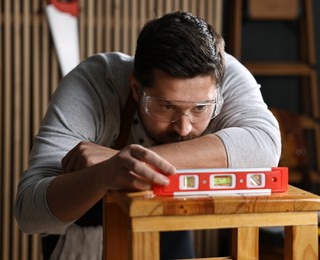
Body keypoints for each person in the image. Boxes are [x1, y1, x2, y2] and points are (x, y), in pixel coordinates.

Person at [14, 11, 281, 259]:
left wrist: (123, 161)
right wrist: (102, 176)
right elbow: (29, 215)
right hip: (84, 239)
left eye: (200, 108)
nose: (184, 128)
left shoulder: (224, 75)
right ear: (135, 88)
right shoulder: (95, 84)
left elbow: (265, 147)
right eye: (166, 106)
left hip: (171, 227)